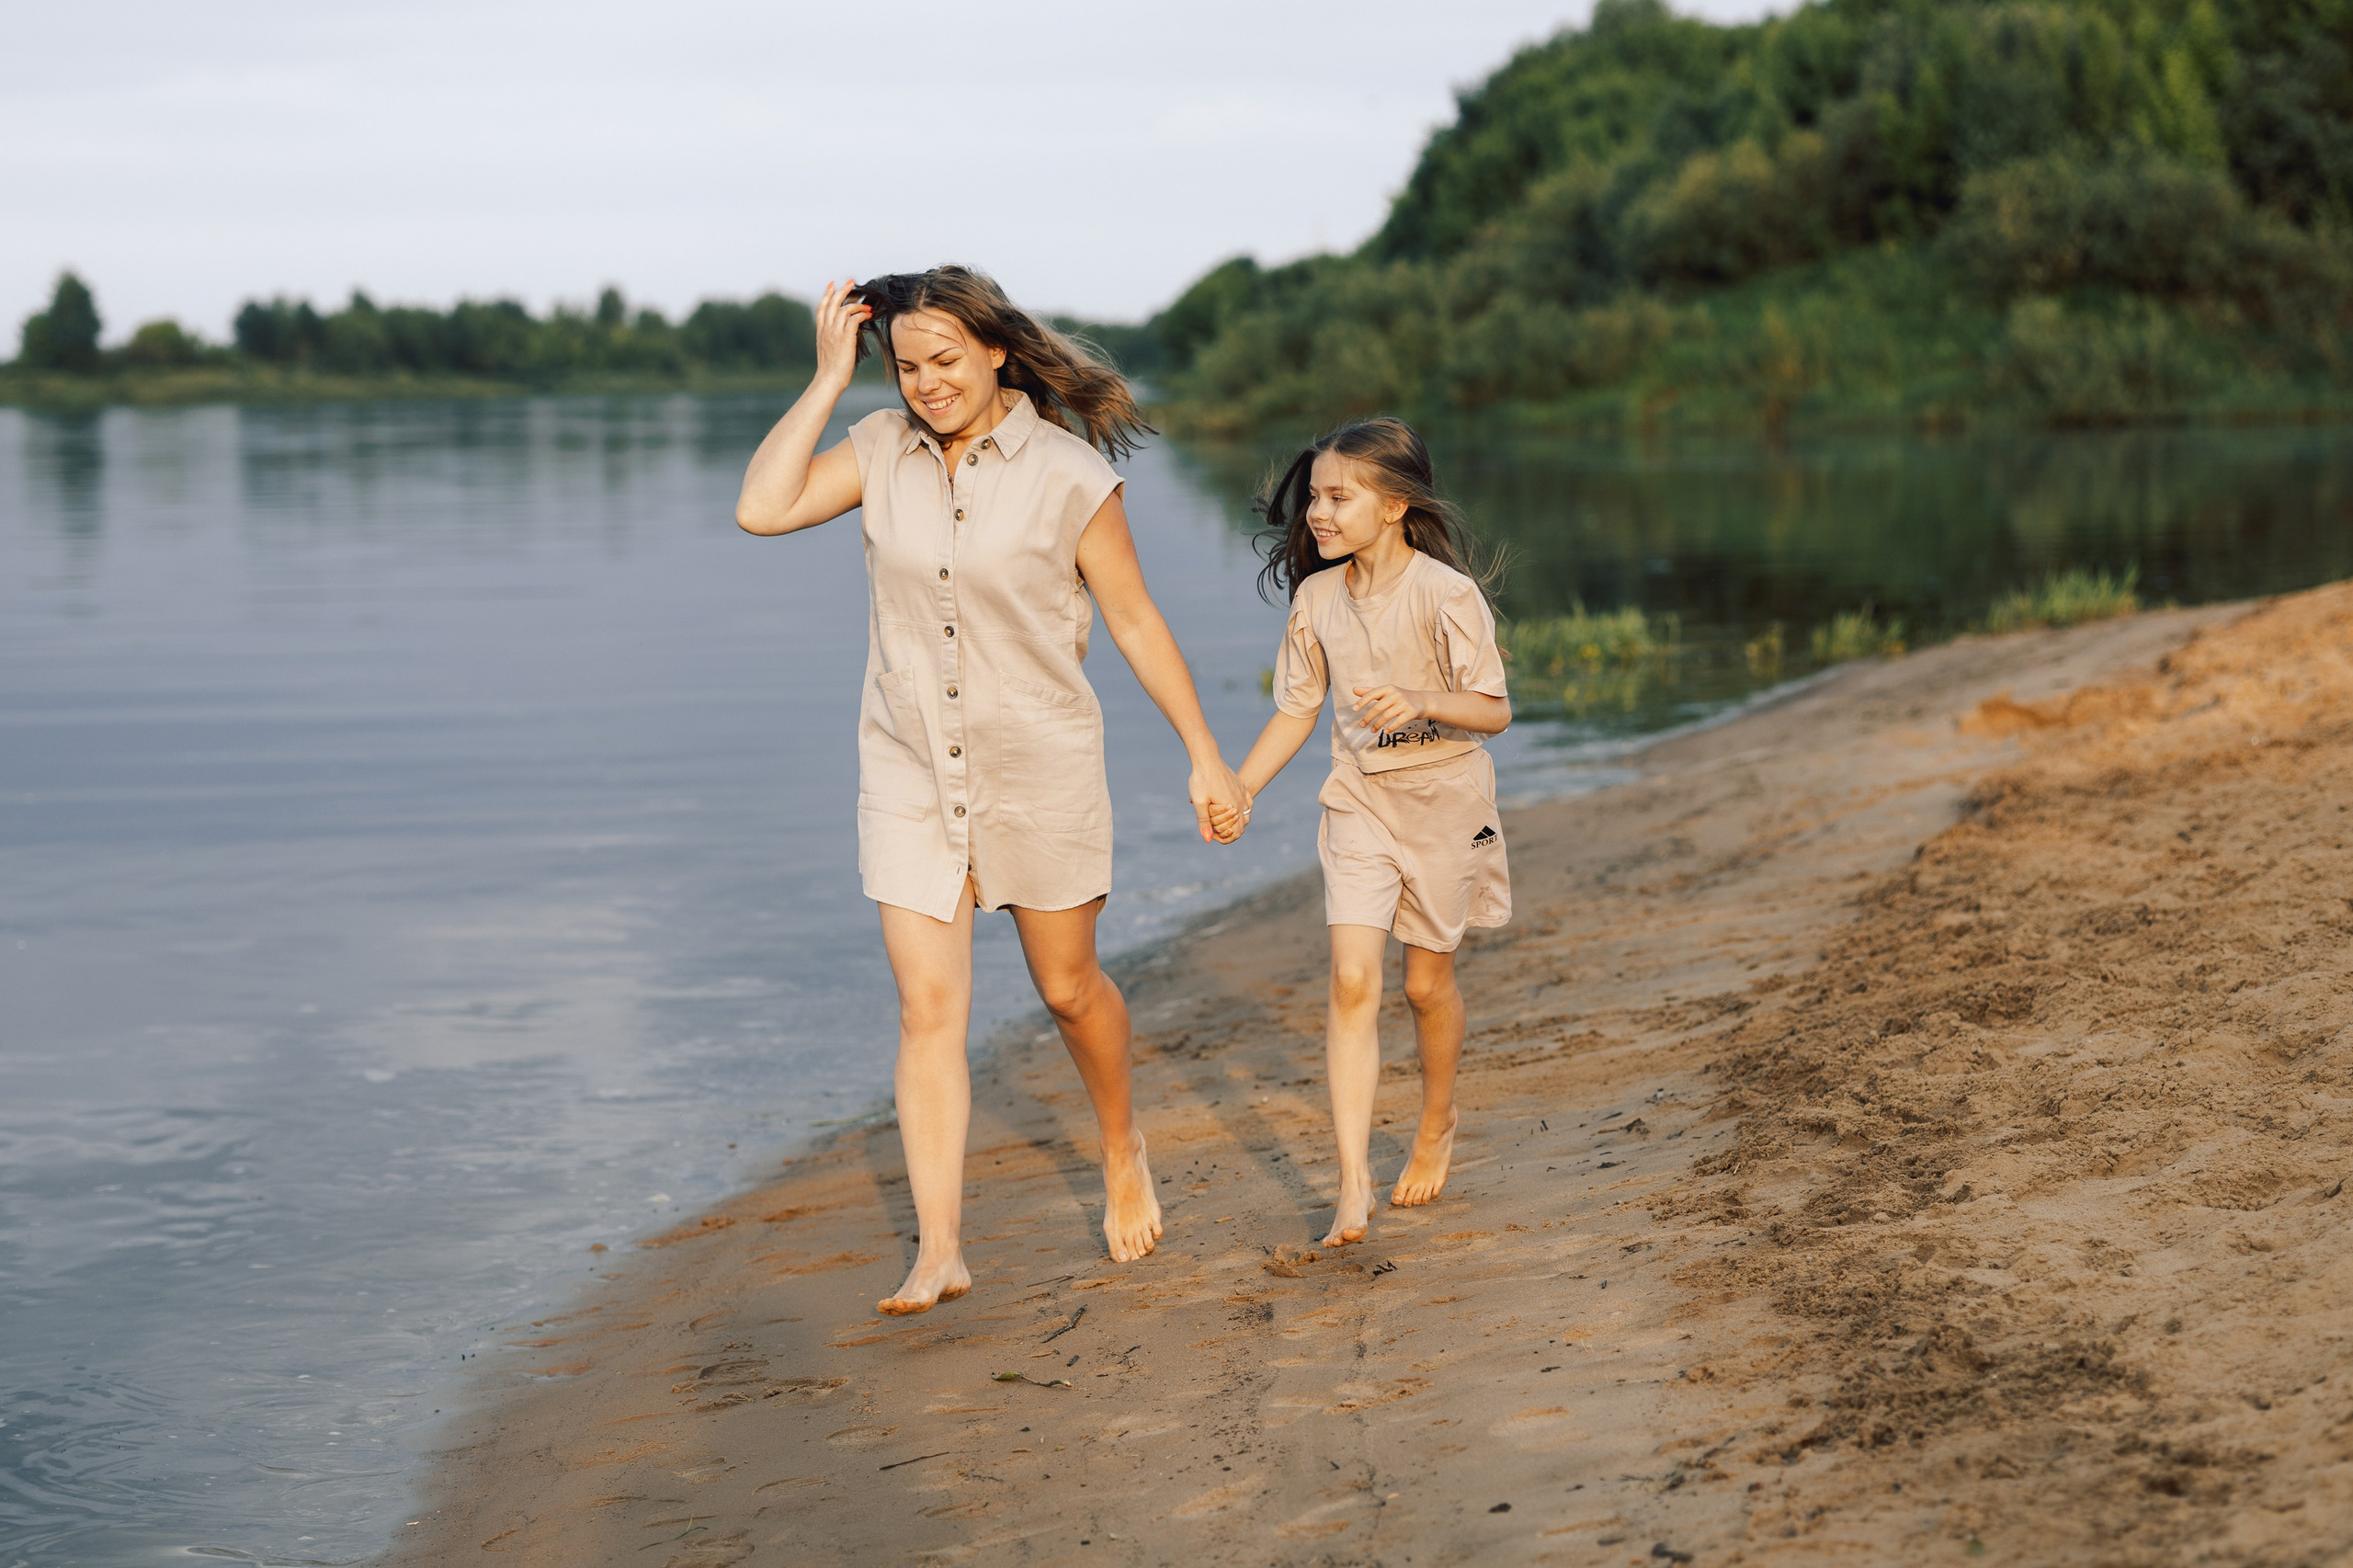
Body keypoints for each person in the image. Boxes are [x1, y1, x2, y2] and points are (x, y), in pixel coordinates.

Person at [734, 267, 1252, 1313]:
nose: (925, 383)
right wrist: (833, 376)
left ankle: (1120, 1141)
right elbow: (761, 507)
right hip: (909, 763)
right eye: (907, 365)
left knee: (1067, 989)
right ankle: (940, 1248)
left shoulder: (1067, 474)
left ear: (997, 350)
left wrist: (1204, 750)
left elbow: (1137, 621)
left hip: (1038, 761)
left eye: (944, 360)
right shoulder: (879, 448)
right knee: (929, 1009)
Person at [1225, 417, 1511, 1247]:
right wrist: (1239, 788)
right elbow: (1295, 709)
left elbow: (1493, 710)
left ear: (1394, 506)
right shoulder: (1316, 598)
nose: (1317, 511)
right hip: (1358, 803)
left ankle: (1436, 1119)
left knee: (1425, 989)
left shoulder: (1445, 595)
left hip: (1446, 803)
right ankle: (1352, 1185)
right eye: (1314, 495)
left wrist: (1422, 700)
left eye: (1338, 497)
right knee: (1354, 980)